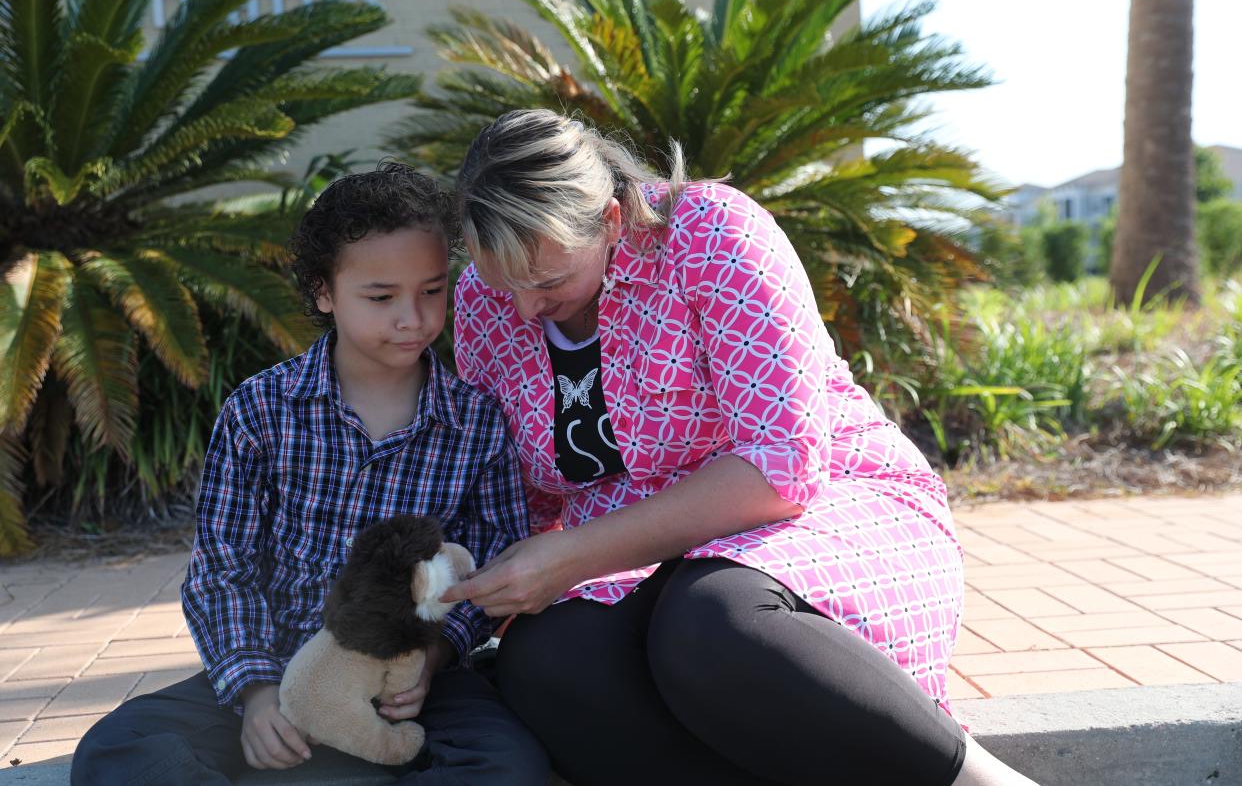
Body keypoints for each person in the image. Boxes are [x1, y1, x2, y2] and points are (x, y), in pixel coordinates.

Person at [443, 109, 1038, 786]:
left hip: (827, 510)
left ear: (610, 222)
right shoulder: (481, 302)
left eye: (548, 283)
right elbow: (522, 494)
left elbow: (780, 469)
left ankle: (984, 782)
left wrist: (575, 554)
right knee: (549, 663)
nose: (523, 311)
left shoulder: (709, 232)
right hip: (638, 560)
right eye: (504, 283)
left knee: (712, 625)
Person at [71, 163, 548, 786]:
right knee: (120, 751)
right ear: (324, 292)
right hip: (278, 662)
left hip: (411, 678)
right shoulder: (260, 410)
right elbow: (223, 565)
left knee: (507, 767)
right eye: (381, 297)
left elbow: (487, 564)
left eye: (432, 290)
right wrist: (258, 695)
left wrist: (431, 660)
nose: (414, 317)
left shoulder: (477, 423)